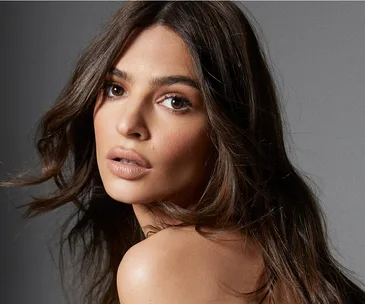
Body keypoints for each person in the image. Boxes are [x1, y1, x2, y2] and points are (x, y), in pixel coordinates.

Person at [1, 1, 365, 303]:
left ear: (226, 129)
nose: (128, 124)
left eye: (174, 101)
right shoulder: (261, 255)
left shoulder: (161, 268)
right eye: (115, 89)